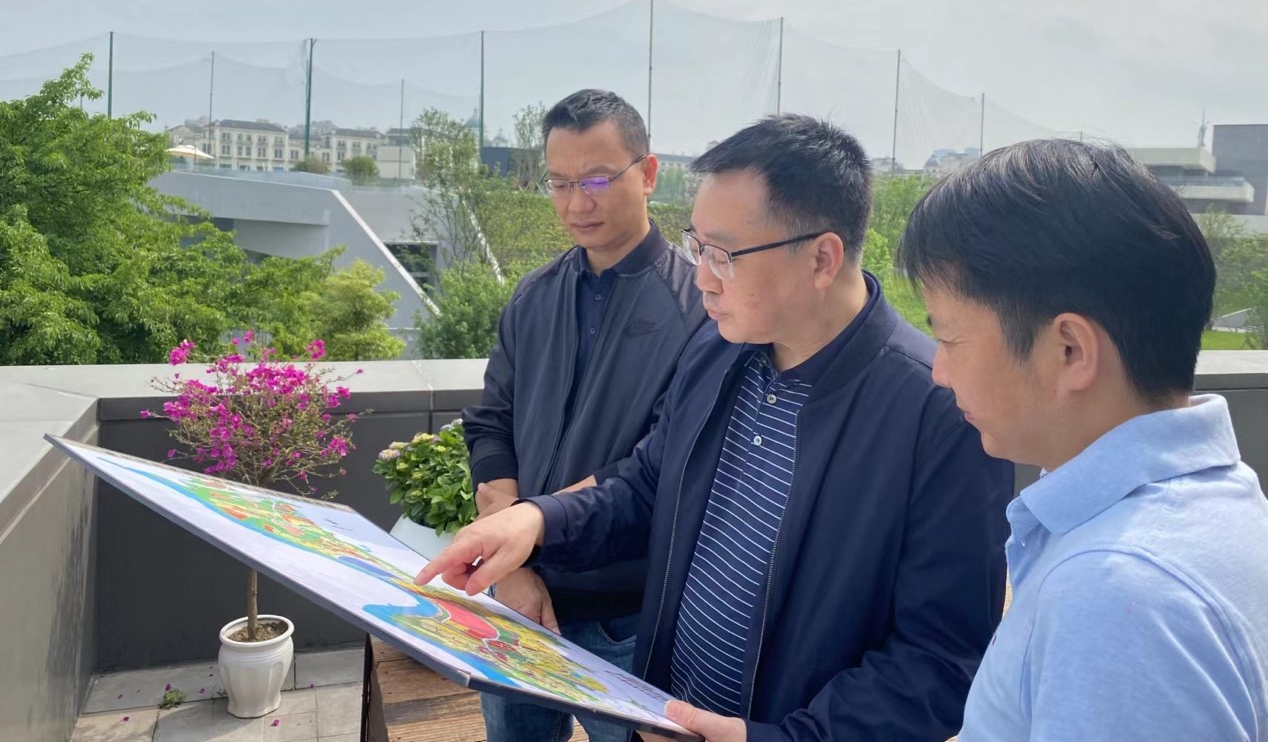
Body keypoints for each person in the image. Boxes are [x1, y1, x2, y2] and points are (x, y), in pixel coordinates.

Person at [422, 114, 1013, 741]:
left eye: (724, 256)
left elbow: (940, 661)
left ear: (821, 258)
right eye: (697, 247)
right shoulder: (719, 350)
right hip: (664, 718)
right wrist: (537, 522)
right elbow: (648, 487)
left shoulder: (940, 412)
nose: (703, 277)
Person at [896, 139, 1268, 740]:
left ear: (1069, 349)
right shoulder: (1217, 501)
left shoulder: (1118, 597)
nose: (939, 371)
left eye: (949, 338)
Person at [461, 88, 707, 742]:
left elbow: (658, 472)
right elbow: (491, 424)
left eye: (596, 180)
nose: (577, 204)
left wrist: (530, 532)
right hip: (517, 601)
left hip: (627, 618)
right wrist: (513, 563)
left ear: (647, 173)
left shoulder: (700, 312)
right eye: (560, 183)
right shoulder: (533, 296)